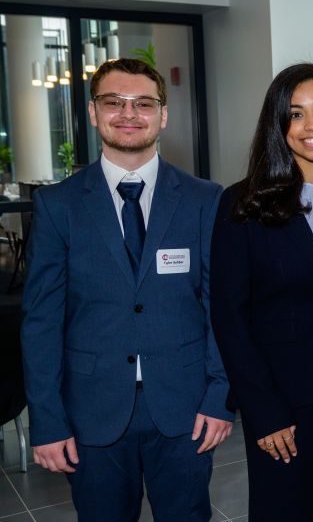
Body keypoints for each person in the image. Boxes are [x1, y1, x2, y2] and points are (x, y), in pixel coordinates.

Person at [21, 58, 233, 521]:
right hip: (90, 412)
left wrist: (220, 397)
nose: (128, 113)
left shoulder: (205, 199)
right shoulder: (58, 205)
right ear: (93, 112)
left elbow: (222, 307)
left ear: (163, 114)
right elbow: (41, 322)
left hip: (185, 410)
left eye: (143, 103)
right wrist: (47, 420)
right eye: (114, 102)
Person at [210, 63, 313, 521]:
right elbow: (230, 317)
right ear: (278, 124)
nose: (312, 126)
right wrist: (263, 411)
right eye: (296, 114)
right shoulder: (244, 202)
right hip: (284, 406)